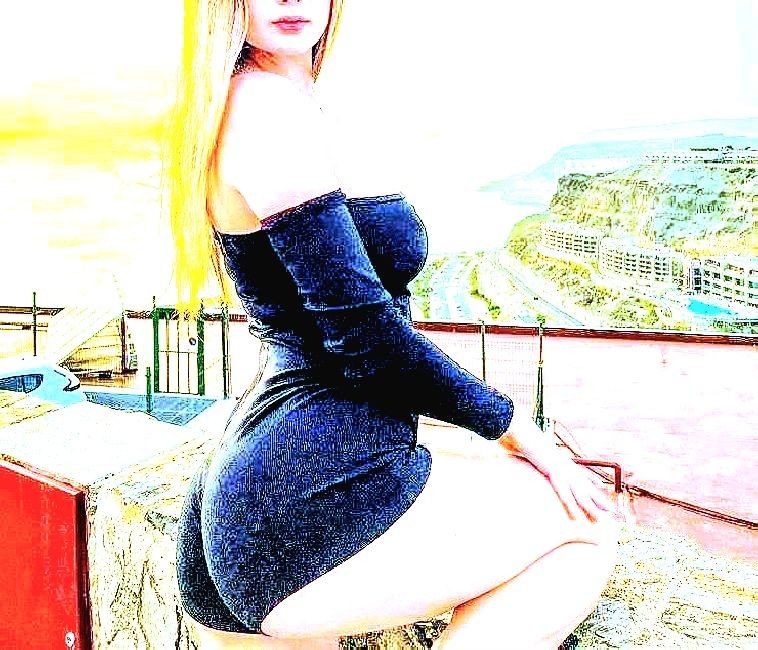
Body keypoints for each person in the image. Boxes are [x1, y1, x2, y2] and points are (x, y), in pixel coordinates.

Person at [170, 1, 624, 648]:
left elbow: (306, 332)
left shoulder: (263, 103)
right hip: (306, 499)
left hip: (265, 491)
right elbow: (368, 341)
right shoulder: (265, 109)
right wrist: (524, 433)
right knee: (587, 525)